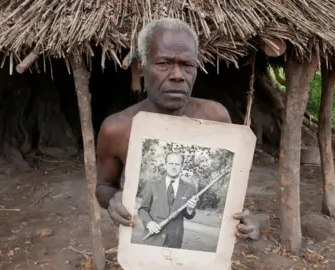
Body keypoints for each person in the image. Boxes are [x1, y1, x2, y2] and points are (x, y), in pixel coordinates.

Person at [95, 17, 261, 243]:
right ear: (141, 67)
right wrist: (114, 199)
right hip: (145, 246)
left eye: (187, 65)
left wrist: (243, 219)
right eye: (164, 63)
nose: (177, 75)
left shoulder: (216, 118)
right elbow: (104, 186)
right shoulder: (117, 128)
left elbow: (230, 189)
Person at [137, 152, 199, 248]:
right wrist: (149, 222)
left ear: (181, 166)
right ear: (166, 165)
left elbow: (188, 215)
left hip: (174, 241)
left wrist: (190, 209)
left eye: (177, 164)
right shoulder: (152, 185)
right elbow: (142, 209)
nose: (174, 167)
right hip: (152, 238)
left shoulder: (189, 188)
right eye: (171, 163)